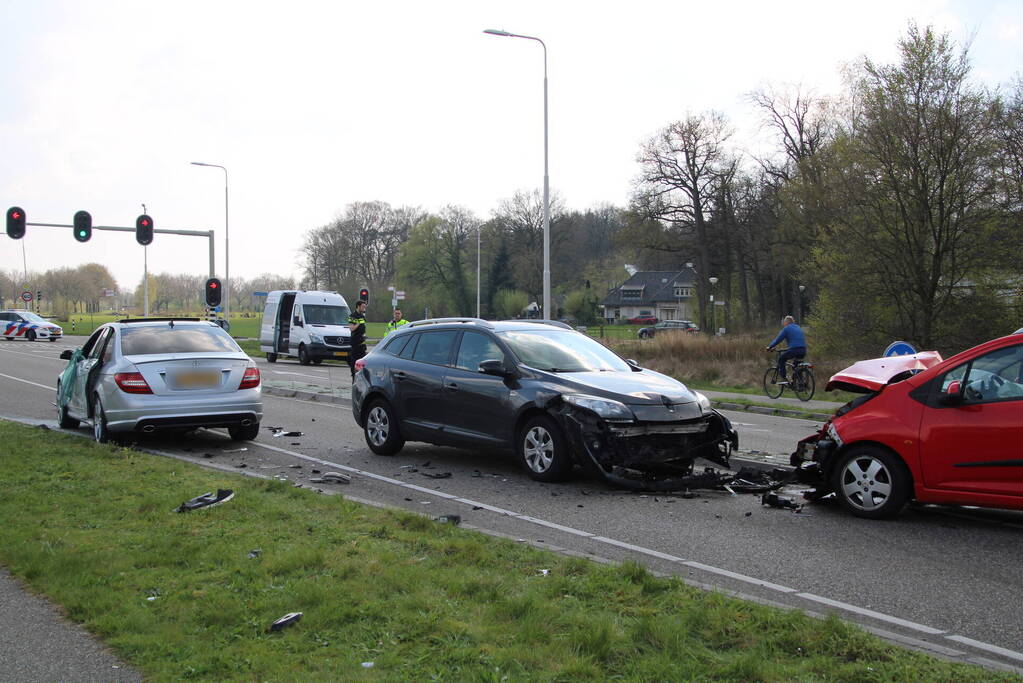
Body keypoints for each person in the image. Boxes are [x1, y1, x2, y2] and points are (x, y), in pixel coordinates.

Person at [766, 315, 807, 384]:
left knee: (781, 359)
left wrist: (770, 347)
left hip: (794, 350)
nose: (783, 323)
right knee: (796, 366)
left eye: (784, 322)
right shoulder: (798, 327)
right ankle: (799, 384)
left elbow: (778, 339)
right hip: (803, 350)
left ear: (787, 322)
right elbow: (797, 340)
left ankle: (784, 378)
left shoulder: (787, 328)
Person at [347, 300, 368, 379]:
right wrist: (358, 323)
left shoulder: (362, 316)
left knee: (362, 364)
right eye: (363, 306)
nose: (364, 308)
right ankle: (354, 379)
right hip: (355, 344)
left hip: (362, 344)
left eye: (365, 307)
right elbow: (351, 328)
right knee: (354, 363)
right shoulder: (352, 316)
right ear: (358, 306)